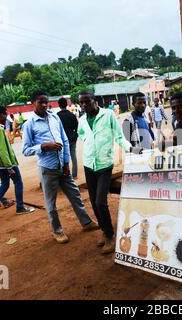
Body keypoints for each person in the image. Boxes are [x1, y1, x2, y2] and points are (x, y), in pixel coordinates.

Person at [23, 92, 99, 244]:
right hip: (47, 168)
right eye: (40, 102)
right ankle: (57, 231)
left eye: (46, 102)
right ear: (33, 103)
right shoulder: (29, 124)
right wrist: (43, 146)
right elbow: (25, 150)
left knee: (75, 195)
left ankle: (86, 223)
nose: (44, 105)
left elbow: (64, 139)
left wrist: (65, 163)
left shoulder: (54, 117)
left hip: (62, 167)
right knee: (51, 202)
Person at [78, 89, 135, 254]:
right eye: (81, 102)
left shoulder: (108, 115)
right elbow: (82, 135)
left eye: (86, 101)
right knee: (93, 201)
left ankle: (110, 235)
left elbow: (118, 136)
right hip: (89, 164)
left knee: (100, 202)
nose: (84, 105)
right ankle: (104, 230)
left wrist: (130, 149)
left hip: (104, 165)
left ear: (94, 100)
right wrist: (92, 145)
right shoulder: (81, 120)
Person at [0, 106, 35, 220]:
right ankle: (20, 207)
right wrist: (9, 167)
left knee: (5, 184)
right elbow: (2, 150)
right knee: (18, 182)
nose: (6, 117)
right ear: (0, 115)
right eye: (5, 115)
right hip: (7, 163)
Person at [57, 97, 79, 179]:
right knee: (73, 156)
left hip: (62, 140)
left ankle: (66, 174)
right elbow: (77, 126)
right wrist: (75, 135)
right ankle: (75, 175)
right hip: (72, 138)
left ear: (59, 105)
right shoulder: (71, 115)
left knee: (62, 157)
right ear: (66, 104)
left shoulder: (57, 116)